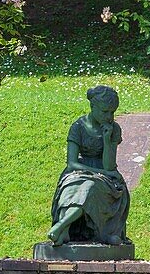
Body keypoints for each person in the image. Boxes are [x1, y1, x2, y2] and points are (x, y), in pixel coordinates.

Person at [48, 85, 130, 246]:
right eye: (105, 111)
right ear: (93, 107)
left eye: (112, 112)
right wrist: (97, 171)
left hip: (106, 175)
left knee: (91, 187)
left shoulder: (114, 129)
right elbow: (71, 163)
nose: (109, 116)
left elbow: (109, 166)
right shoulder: (78, 127)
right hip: (78, 170)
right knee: (71, 187)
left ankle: (63, 226)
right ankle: (64, 229)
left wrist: (107, 140)